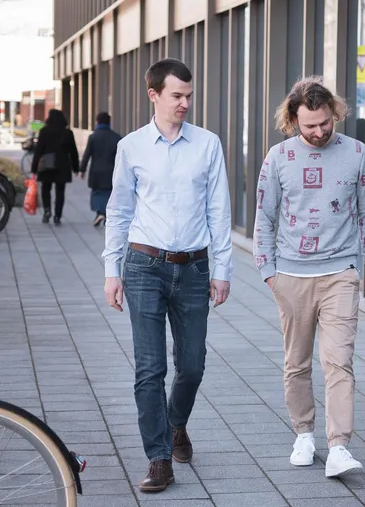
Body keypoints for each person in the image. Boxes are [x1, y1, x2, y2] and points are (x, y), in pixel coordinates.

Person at [101, 58, 233, 493]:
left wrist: (223, 270)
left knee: (192, 366)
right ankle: (159, 458)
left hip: (194, 267)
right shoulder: (132, 147)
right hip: (143, 267)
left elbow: (219, 210)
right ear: (153, 94)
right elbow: (118, 211)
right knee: (150, 368)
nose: (185, 103)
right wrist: (111, 270)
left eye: (189, 95)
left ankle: (177, 423)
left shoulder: (208, 144)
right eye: (177, 95)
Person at [253, 77, 365, 478]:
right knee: (296, 362)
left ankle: (340, 445)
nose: (320, 131)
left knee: (339, 362)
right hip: (291, 276)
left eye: (326, 122)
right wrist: (269, 273)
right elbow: (264, 217)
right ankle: (304, 434)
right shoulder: (277, 158)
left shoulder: (357, 153)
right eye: (310, 125)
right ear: (293, 120)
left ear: (335, 113)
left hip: (341, 274)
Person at [31, 109, 80, 225]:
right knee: (60, 191)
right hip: (62, 165)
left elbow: (38, 151)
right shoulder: (67, 133)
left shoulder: (44, 131)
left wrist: (34, 168)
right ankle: (58, 215)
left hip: (47, 165)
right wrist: (76, 168)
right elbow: (73, 152)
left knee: (45, 188)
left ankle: (47, 210)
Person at [79, 111, 122, 226]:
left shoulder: (93, 137)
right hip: (111, 172)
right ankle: (106, 214)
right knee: (109, 193)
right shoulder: (116, 137)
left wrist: (82, 170)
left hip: (96, 172)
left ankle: (100, 213)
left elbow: (87, 155)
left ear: (97, 122)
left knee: (97, 193)